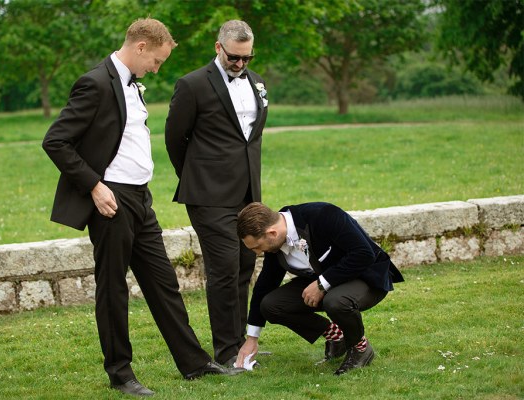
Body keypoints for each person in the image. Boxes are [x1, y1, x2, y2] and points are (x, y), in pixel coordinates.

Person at [42, 18, 241, 397]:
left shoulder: (131, 84)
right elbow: (56, 141)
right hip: (111, 199)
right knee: (113, 287)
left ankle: (195, 364)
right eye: (158, 62)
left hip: (140, 198)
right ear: (141, 47)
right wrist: (95, 187)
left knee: (164, 283)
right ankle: (120, 373)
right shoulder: (96, 82)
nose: (157, 68)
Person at [164, 20, 268, 367]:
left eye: (247, 58)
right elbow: (174, 139)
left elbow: (250, 138)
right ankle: (225, 350)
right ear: (218, 47)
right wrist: (196, 177)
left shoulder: (256, 83)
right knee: (224, 267)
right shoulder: (192, 85)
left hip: (248, 193)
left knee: (244, 264)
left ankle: (241, 344)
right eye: (234, 58)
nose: (240, 65)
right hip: (208, 194)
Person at [235, 202, 404, 375]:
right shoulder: (275, 243)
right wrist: (252, 338)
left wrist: (322, 284)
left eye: (256, 247)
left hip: (365, 277)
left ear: (272, 233)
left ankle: (360, 348)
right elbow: (265, 284)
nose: (257, 253)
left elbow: (363, 253)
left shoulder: (324, 214)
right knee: (271, 305)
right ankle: (337, 337)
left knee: (336, 301)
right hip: (326, 282)